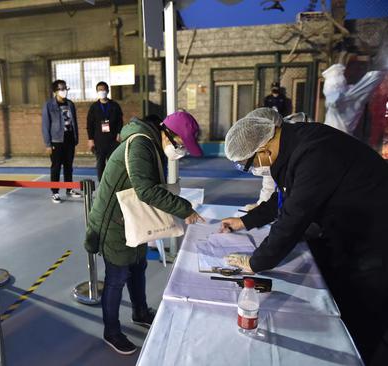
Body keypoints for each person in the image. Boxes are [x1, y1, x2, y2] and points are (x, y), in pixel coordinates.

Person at [220, 116, 388, 365]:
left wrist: (255, 262)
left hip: (374, 235)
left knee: (363, 309)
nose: (253, 171)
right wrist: (245, 221)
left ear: (262, 150)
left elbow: (293, 217)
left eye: (248, 165)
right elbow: (284, 199)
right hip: (350, 226)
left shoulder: (314, 154)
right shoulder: (294, 144)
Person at [84, 113, 205, 355]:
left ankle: (140, 311)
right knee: (116, 278)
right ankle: (112, 331)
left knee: (138, 267)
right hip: (115, 223)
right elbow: (146, 191)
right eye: (180, 144)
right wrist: (185, 210)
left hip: (133, 220)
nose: (180, 150)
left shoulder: (151, 144)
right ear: (167, 133)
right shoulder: (140, 144)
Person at [42, 79, 82, 203]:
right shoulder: (49, 105)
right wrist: (48, 144)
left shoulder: (70, 104)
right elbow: (45, 125)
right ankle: (55, 192)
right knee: (56, 167)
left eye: (65, 88)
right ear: (55, 91)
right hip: (56, 141)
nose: (64, 91)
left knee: (69, 166)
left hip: (69, 139)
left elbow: (74, 122)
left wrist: (76, 138)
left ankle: (69, 189)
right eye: (61, 89)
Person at [86, 81, 123, 181]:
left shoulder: (115, 105)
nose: (102, 91)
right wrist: (90, 139)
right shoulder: (94, 107)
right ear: (97, 92)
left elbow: (120, 121)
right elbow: (89, 124)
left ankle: (112, 182)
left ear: (107, 91)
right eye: (99, 90)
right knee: (100, 163)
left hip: (113, 139)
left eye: (103, 89)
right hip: (99, 140)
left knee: (113, 163)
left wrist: (119, 134)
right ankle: (102, 184)